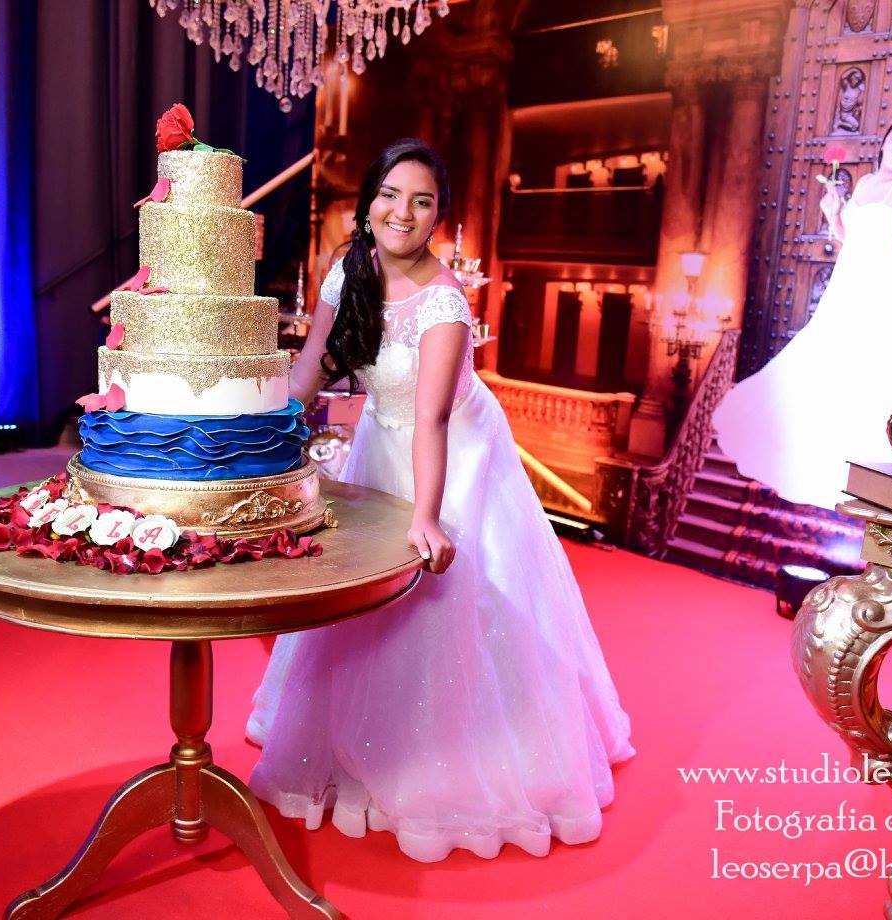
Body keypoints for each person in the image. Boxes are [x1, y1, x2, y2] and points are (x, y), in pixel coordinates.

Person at [246, 138, 634, 863]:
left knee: (452, 598)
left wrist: (426, 516)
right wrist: (252, 428)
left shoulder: (445, 303)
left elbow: (431, 419)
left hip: (456, 454)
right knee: (363, 597)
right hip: (381, 441)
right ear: (368, 204)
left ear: (437, 217)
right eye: (391, 195)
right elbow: (306, 374)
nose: (404, 212)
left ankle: (457, 753)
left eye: (422, 202)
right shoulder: (347, 271)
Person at [711, 109, 892, 509]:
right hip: (846, 287)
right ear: (885, 138)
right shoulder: (866, 182)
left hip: (878, 292)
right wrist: (833, 212)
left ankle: (865, 467)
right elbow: (853, 241)